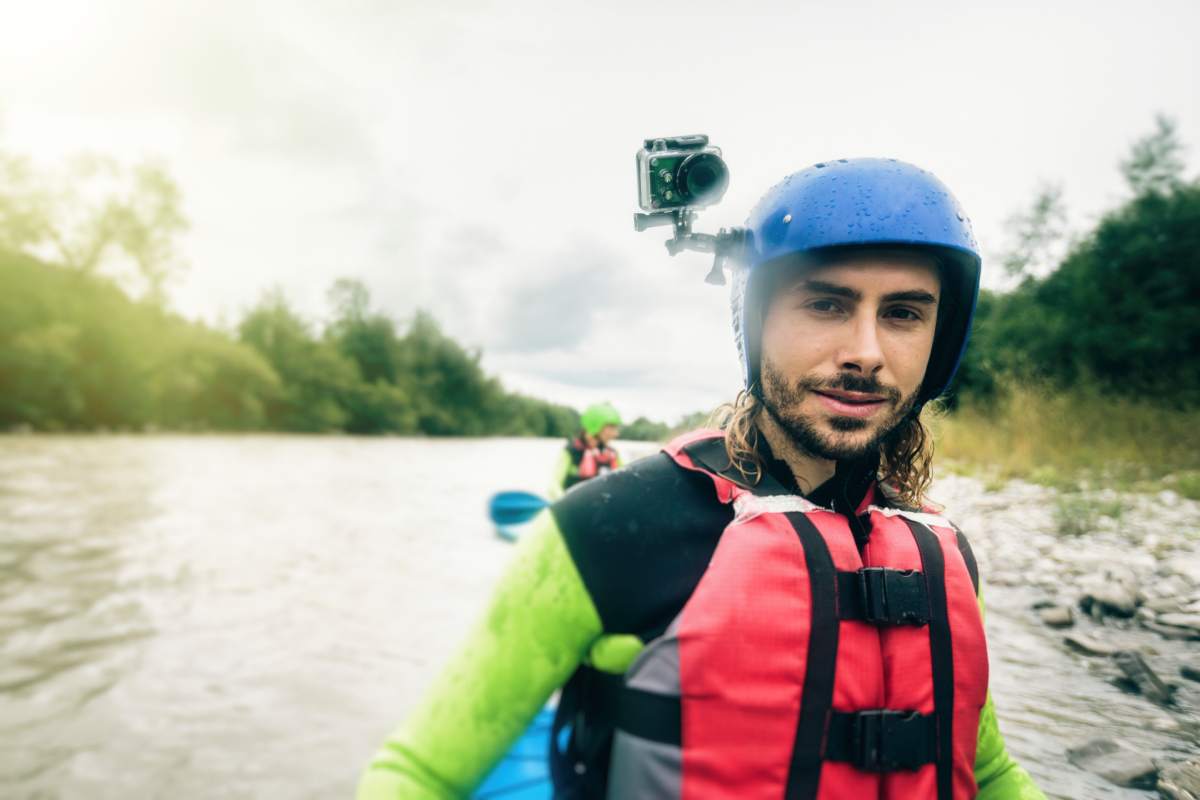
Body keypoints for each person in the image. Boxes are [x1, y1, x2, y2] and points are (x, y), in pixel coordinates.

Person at [358, 158, 1046, 799]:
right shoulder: (603, 529)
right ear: (758, 319)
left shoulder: (940, 552)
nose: (865, 353)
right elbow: (419, 775)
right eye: (826, 304)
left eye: (902, 313)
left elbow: (984, 767)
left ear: (939, 337)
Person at [547, 402, 622, 501]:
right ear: (595, 426)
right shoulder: (572, 451)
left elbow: (624, 481)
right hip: (574, 509)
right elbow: (554, 486)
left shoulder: (613, 454)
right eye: (611, 427)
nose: (616, 434)